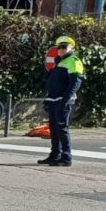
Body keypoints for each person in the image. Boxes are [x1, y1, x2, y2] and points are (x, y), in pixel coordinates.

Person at [41, 36, 85, 167]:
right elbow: (53, 83)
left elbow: (75, 82)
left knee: (62, 128)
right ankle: (55, 155)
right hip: (53, 99)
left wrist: (65, 100)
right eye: (58, 47)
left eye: (64, 46)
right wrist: (48, 100)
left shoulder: (73, 61)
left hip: (63, 101)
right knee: (54, 129)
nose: (60, 49)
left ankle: (66, 157)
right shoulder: (59, 62)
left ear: (72, 48)